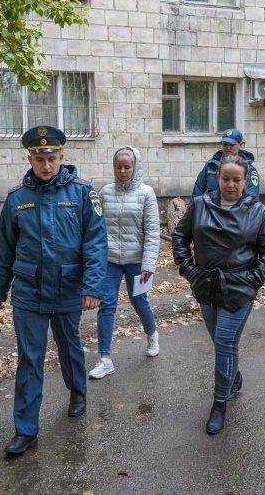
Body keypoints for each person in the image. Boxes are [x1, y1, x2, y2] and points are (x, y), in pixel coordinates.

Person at [0, 125, 107, 456]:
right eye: (40, 159)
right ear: (30, 158)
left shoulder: (84, 193)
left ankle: (78, 390)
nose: (46, 165)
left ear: (62, 157)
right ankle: (26, 430)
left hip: (69, 287)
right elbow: (6, 249)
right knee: (30, 358)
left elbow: (96, 244)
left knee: (70, 344)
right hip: (29, 290)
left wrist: (92, 286)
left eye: (52, 158)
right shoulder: (17, 199)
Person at [173, 155, 265, 434]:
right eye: (225, 178)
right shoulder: (199, 205)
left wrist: (252, 280)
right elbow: (179, 238)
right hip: (205, 285)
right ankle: (234, 376)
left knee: (223, 342)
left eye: (236, 179)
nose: (230, 185)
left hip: (239, 288)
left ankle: (219, 403)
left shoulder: (258, 211)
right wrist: (189, 271)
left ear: (246, 182)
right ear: (217, 178)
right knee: (223, 343)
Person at [88, 146, 161, 379]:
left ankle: (152, 333)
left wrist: (149, 264)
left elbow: (152, 232)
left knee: (139, 301)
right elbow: (96, 228)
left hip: (137, 261)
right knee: (107, 304)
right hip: (109, 260)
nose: (122, 171)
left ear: (135, 167)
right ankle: (105, 359)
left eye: (127, 167)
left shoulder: (146, 193)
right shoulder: (105, 193)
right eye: (118, 166)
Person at [191, 128, 260, 201]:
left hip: (238, 210)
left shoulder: (249, 170)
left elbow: (251, 199)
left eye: (231, 145)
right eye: (225, 144)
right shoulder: (211, 166)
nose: (228, 148)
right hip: (211, 210)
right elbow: (197, 191)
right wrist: (192, 210)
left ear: (240, 145)